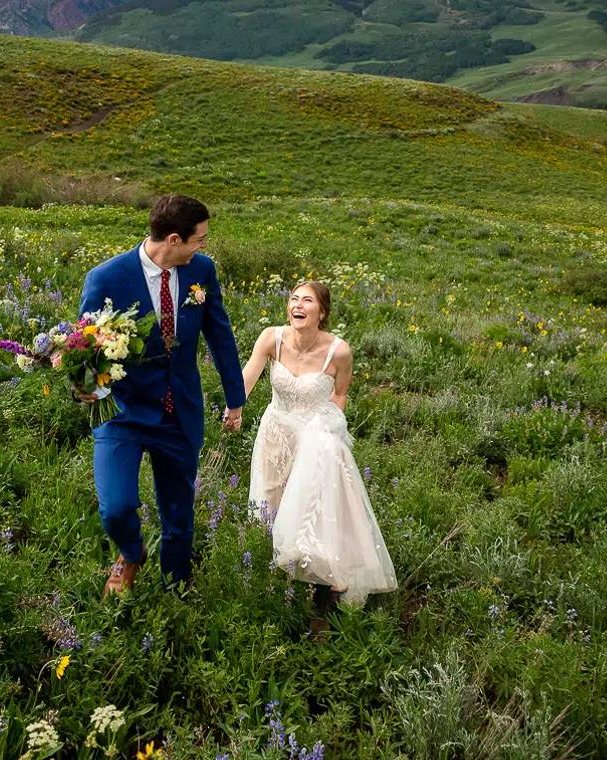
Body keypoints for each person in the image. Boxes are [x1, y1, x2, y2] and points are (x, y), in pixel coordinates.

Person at [78, 194, 245, 594]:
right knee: (116, 507)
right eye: (199, 239)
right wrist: (84, 387)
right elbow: (81, 344)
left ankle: (176, 586)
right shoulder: (106, 278)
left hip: (179, 409)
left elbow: (219, 335)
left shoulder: (201, 270)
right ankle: (131, 553)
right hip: (124, 411)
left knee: (178, 513)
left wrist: (234, 396)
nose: (204, 245)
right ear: (173, 239)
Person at [242, 280, 397, 614]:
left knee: (310, 504)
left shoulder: (338, 351)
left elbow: (339, 394)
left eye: (307, 300)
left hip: (314, 436)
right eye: (294, 299)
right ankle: (271, 578)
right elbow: (249, 376)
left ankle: (320, 580)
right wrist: (233, 406)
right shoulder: (272, 337)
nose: (297, 305)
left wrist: (330, 431)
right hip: (275, 432)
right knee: (270, 499)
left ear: (322, 311)